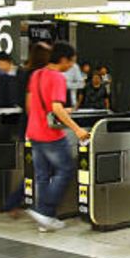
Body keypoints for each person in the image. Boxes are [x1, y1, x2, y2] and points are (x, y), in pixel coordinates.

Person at [26, 43, 91, 231]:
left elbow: (32, 104)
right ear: (63, 59)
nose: (72, 66)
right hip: (50, 134)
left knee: (42, 176)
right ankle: (44, 212)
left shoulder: (36, 74)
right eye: (71, 61)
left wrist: (60, 111)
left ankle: (45, 220)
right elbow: (55, 107)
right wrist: (77, 129)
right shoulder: (57, 78)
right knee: (65, 170)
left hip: (34, 131)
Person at [3, 43, 51, 216]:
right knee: (42, 169)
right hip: (38, 127)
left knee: (37, 168)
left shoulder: (22, 72)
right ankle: (22, 203)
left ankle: (18, 202)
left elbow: (19, 100)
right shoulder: (39, 75)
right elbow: (32, 104)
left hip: (26, 126)